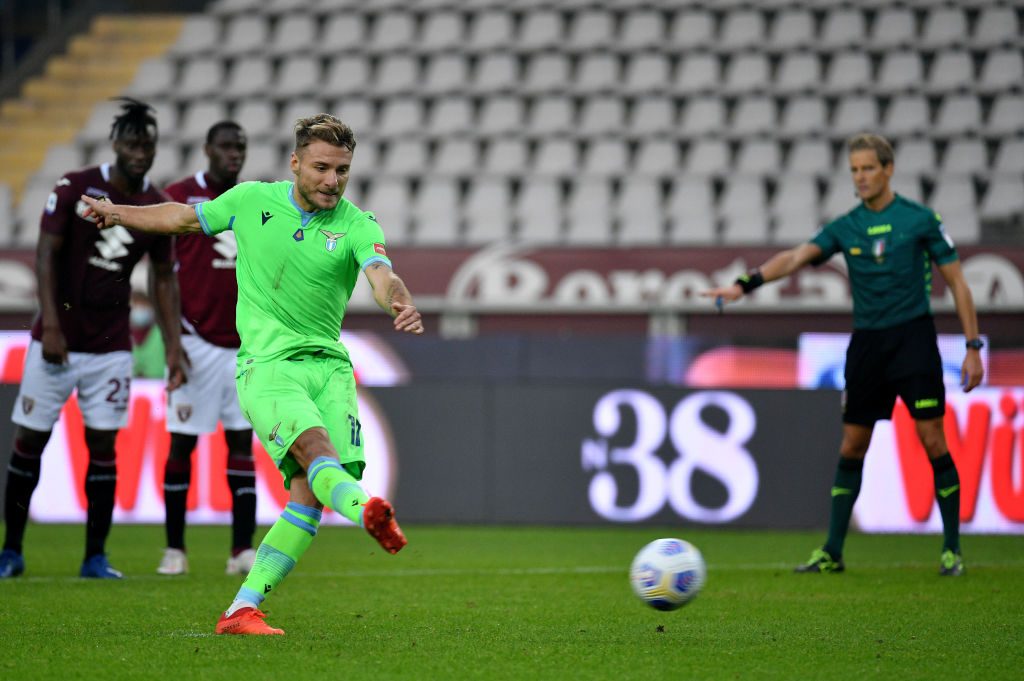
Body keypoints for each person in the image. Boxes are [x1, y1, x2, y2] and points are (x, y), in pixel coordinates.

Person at [81, 113, 420, 634]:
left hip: (329, 370)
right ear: (296, 164)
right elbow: (180, 219)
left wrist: (399, 300)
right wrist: (118, 213)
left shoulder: (358, 222)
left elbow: (381, 275)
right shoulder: (251, 202)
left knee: (312, 492)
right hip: (268, 367)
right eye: (322, 168)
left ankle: (242, 609)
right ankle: (369, 510)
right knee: (318, 457)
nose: (332, 180)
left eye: (343, 170)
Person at [703, 133, 984, 577]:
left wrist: (972, 347)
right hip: (867, 346)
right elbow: (796, 257)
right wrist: (744, 284)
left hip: (912, 343)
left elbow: (959, 284)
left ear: (888, 169)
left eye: (868, 168)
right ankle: (832, 551)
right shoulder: (846, 226)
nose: (861, 177)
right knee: (853, 444)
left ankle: (951, 550)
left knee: (932, 440)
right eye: (854, 170)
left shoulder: (919, 220)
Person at [0, 98, 186, 579]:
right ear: (115, 144)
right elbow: (44, 255)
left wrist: (172, 346)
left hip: (110, 345)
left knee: (103, 444)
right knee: (30, 441)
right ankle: (11, 550)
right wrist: (52, 326)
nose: (140, 151)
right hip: (56, 342)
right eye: (132, 142)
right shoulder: (77, 187)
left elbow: (164, 278)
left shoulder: (154, 206)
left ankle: (95, 557)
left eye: (148, 144)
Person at [155, 121, 257, 577]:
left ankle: (241, 550)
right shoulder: (179, 194)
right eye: (226, 147)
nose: (234, 154)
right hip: (195, 342)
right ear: (207, 149)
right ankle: (174, 548)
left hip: (244, 345)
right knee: (182, 445)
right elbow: (160, 272)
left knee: (241, 445)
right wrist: (173, 345)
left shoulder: (256, 199)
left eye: (240, 147)